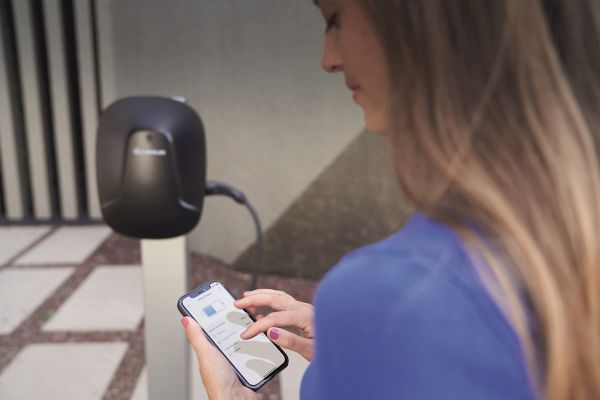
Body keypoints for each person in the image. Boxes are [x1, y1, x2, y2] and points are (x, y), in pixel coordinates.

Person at [181, 0, 600, 398]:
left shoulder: (398, 297)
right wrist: (356, 354)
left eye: (334, 18)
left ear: (419, 21)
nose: (328, 59)